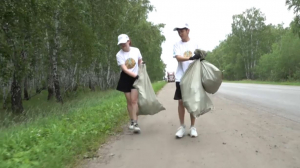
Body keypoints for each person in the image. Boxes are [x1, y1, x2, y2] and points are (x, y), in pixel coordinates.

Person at [172, 23, 201, 138]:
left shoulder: (195, 44)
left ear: (188, 30)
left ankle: (193, 127)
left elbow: (200, 58)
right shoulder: (176, 45)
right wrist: (190, 57)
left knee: (192, 101)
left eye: (182, 31)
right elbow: (178, 58)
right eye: (178, 31)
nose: (180, 33)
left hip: (193, 77)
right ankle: (182, 127)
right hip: (181, 76)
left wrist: (200, 57)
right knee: (181, 102)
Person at [116, 34, 143, 133]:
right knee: (129, 101)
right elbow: (124, 68)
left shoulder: (136, 50)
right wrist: (134, 75)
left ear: (129, 41)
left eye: (124, 43)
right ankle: (132, 120)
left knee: (134, 101)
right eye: (121, 44)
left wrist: (141, 67)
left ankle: (136, 123)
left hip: (136, 77)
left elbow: (140, 60)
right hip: (126, 78)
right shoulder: (119, 55)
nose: (123, 45)